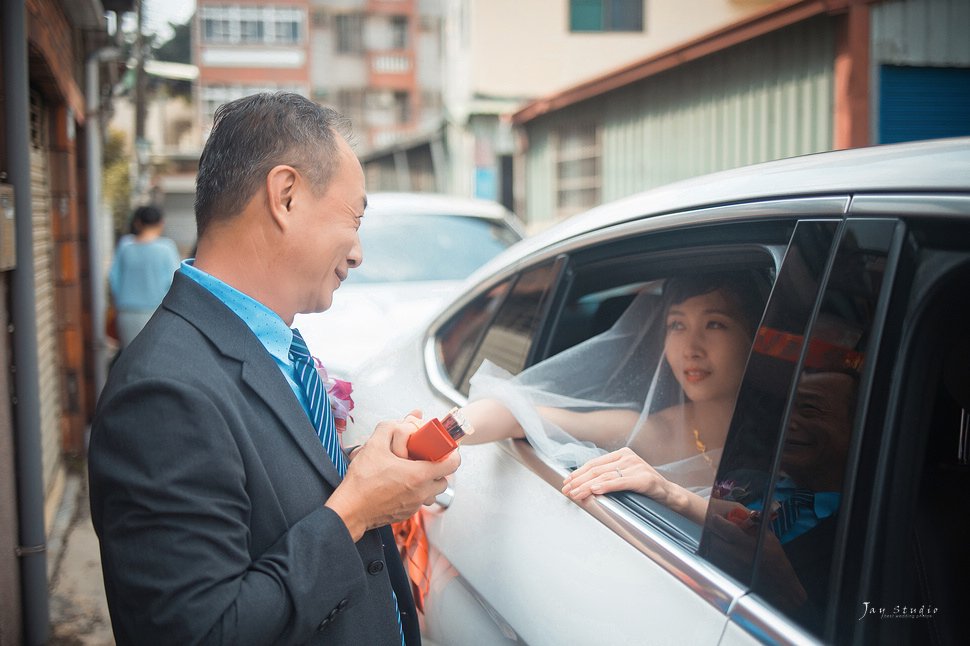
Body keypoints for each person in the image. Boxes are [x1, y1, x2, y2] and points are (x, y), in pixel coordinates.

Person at [88, 92, 459, 645]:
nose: (358, 253)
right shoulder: (163, 392)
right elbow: (204, 633)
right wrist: (355, 510)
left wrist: (365, 472)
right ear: (285, 196)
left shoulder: (271, 345)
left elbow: (265, 493)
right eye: (354, 219)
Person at [460, 271, 769, 494]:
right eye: (677, 325)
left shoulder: (797, 430)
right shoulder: (651, 433)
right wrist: (434, 435)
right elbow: (511, 413)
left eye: (715, 324)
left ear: (754, 336)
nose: (691, 348)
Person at [108, 204, 181, 348]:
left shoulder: (125, 246)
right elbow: (175, 281)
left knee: (129, 357)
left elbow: (114, 278)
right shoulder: (166, 248)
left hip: (127, 312)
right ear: (161, 223)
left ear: (138, 223)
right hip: (157, 312)